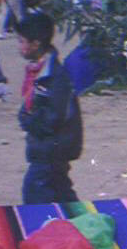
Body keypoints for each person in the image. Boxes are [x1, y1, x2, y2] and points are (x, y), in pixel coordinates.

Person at [15, 12, 83, 204]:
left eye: (22, 41)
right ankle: (81, 227)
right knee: (62, 194)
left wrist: (28, 121)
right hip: (48, 148)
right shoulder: (40, 71)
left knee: (35, 193)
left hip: (51, 149)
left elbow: (54, 117)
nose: (19, 46)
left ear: (35, 44)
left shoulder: (55, 76)